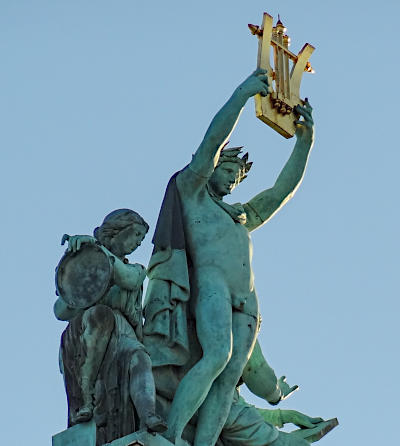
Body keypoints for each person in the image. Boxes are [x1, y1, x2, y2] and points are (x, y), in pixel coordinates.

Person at [144, 69, 314, 446]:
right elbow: (211, 142)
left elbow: (280, 192)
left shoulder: (240, 215)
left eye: (238, 176)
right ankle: (171, 436)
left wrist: (304, 143)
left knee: (227, 379)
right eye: (228, 168)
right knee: (217, 356)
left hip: (247, 300)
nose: (233, 178)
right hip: (213, 289)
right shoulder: (192, 192)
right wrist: (242, 95)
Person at [54, 209, 167, 444]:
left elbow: (129, 278)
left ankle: (148, 416)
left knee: (140, 359)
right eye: (135, 234)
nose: (138, 243)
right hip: (88, 330)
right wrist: (81, 262)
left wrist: (97, 252)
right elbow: (61, 311)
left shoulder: (135, 269)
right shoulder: (86, 260)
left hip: (124, 332)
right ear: (118, 230)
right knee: (100, 315)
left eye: (141, 239)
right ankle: (87, 397)